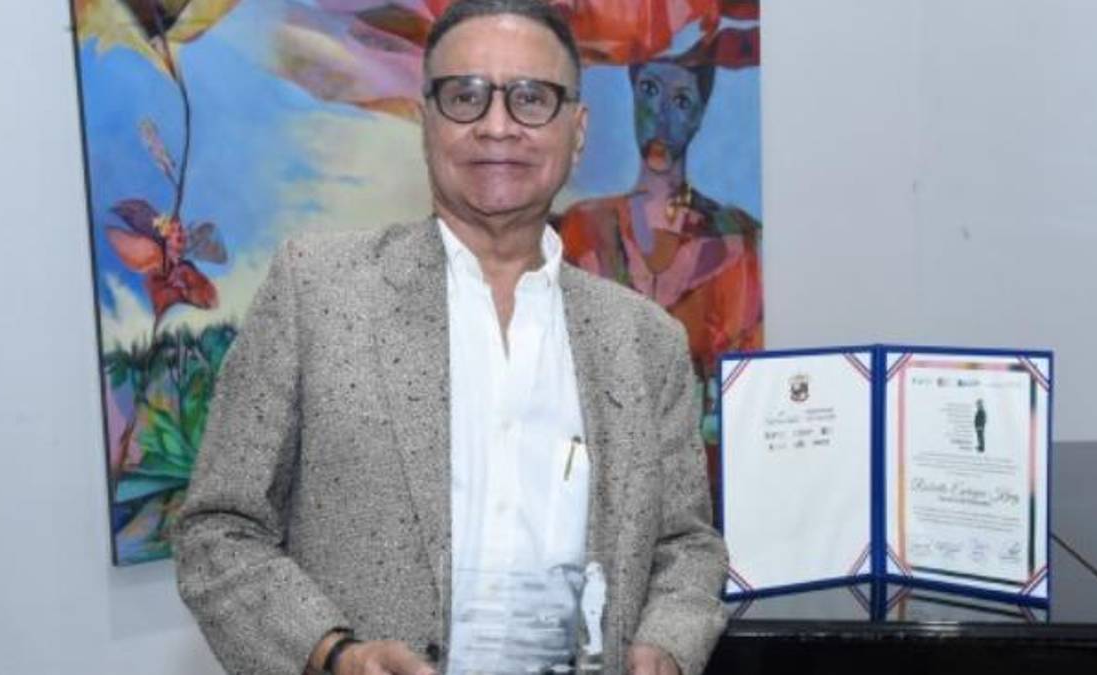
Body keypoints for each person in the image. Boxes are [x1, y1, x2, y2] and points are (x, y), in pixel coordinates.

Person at [173, 2, 728, 674]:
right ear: (427, 120)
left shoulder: (645, 340)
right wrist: (331, 654)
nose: (497, 126)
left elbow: (686, 544)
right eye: (465, 97)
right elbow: (218, 531)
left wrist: (665, 643)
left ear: (576, 130)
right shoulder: (315, 292)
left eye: (531, 98)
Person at [559, 55, 762, 499]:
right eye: (649, 91)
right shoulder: (583, 229)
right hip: (596, 489)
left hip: (702, 492)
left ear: (700, 116)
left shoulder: (734, 238)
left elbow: (746, 388)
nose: (661, 116)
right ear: (632, 96)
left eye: (681, 100)